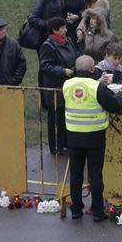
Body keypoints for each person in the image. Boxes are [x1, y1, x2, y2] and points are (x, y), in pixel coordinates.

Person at [63, 55, 122, 221]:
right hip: (94, 136)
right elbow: (114, 105)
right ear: (92, 69)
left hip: (74, 135)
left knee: (75, 174)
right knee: (95, 174)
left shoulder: (67, 85)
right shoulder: (97, 87)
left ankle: (76, 209)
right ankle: (97, 210)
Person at [39, 18, 80, 156]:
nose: (66, 30)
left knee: (66, 116)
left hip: (69, 85)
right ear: (55, 30)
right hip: (55, 88)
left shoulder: (68, 41)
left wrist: (76, 67)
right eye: (62, 28)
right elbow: (45, 66)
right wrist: (62, 71)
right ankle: (56, 145)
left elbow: (76, 55)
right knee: (55, 118)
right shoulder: (47, 46)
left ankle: (66, 143)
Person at [27, 0, 62, 104]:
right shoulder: (42, 0)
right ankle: (44, 100)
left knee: (53, 67)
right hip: (43, 40)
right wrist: (50, 25)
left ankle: (53, 98)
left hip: (55, 38)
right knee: (44, 69)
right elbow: (32, 18)